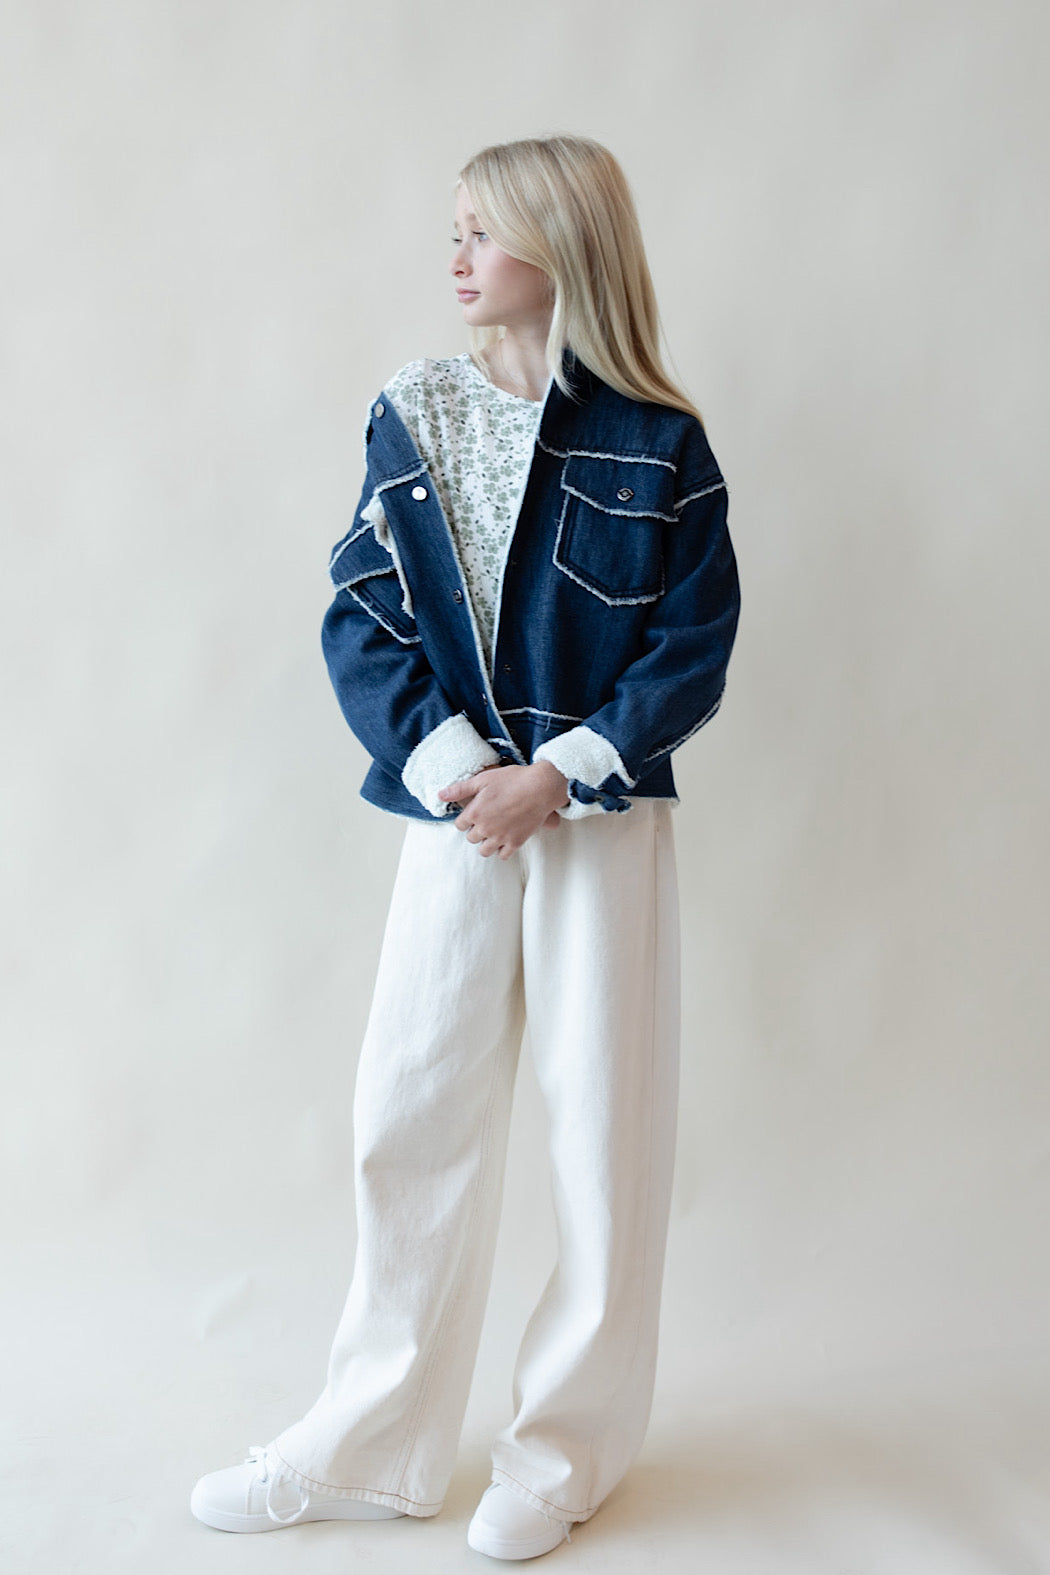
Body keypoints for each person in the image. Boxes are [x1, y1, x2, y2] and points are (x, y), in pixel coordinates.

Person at [189, 133, 740, 1561]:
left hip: (596, 819)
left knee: (603, 1136)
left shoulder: (659, 442)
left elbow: (691, 646)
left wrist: (557, 776)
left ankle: (564, 1455)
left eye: (482, 231)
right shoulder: (415, 409)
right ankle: (372, 1445)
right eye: (455, 230)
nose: (456, 256)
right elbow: (361, 614)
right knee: (409, 1112)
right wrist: (459, 772)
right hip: (454, 818)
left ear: (563, 244)